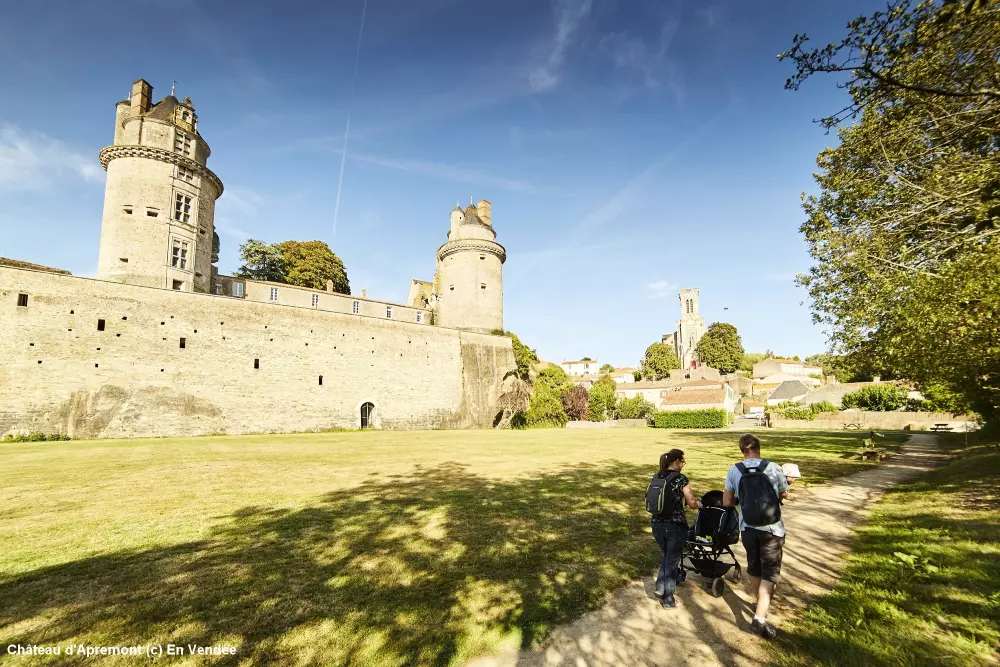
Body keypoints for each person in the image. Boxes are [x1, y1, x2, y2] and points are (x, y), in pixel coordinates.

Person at [723, 434, 791, 639]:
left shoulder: (735, 470)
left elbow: (726, 501)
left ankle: (759, 603)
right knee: (769, 573)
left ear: (742, 449)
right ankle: (759, 619)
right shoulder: (775, 468)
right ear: (759, 448)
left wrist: (742, 499)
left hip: (748, 528)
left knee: (754, 567)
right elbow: (782, 495)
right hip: (772, 529)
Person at [650, 449, 702, 609]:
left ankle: (660, 587)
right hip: (675, 526)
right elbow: (691, 502)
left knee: (668, 556)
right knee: (672, 561)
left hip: (656, 524)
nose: (683, 466)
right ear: (677, 461)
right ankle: (668, 600)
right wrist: (699, 504)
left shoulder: (657, 476)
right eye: (683, 462)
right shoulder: (681, 479)